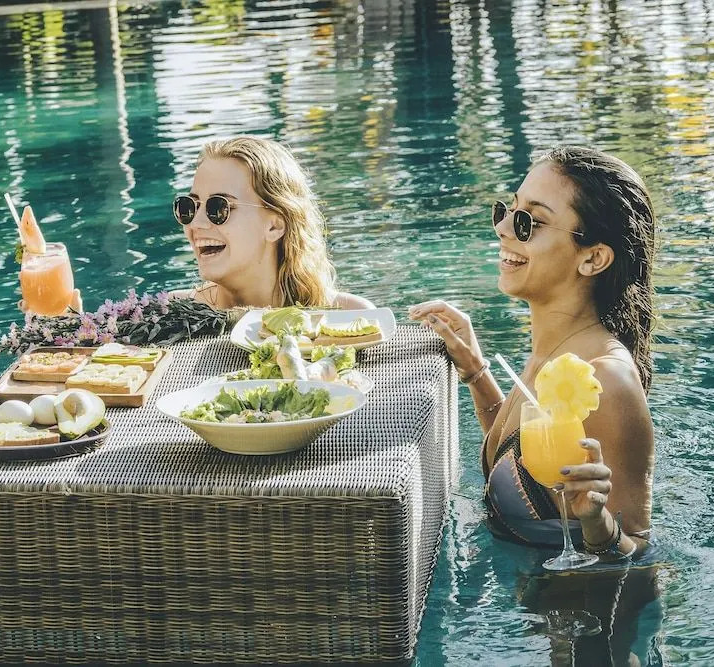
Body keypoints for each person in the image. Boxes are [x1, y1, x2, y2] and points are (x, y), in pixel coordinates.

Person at [409, 146, 655, 559]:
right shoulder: (556, 360)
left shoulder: (603, 381)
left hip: (567, 601)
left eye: (531, 222)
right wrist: (475, 372)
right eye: (509, 210)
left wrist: (598, 525)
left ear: (593, 258)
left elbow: (640, 558)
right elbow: (525, 471)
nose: (504, 228)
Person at [169, 136, 374, 309]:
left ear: (274, 226)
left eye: (218, 208)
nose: (196, 223)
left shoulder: (350, 316)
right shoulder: (169, 313)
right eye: (189, 207)